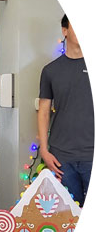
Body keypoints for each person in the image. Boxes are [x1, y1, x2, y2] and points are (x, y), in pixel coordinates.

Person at [38, 14, 93, 206]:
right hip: (61, 157)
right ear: (64, 31)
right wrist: (44, 150)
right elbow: (43, 112)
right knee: (66, 216)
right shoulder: (50, 71)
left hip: (91, 155)